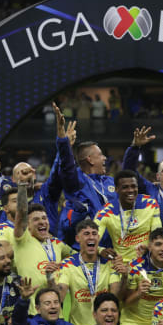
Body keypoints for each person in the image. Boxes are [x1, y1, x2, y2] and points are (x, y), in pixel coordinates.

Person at [55, 103, 117, 245]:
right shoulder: (77, 181)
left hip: (113, 251)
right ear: (90, 159)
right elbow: (66, 167)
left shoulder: (110, 182)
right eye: (101, 155)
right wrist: (64, 143)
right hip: (85, 249)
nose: (105, 158)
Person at [54, 220, 127, 325]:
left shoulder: (109, 263)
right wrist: (50, 277)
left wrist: (125, 277)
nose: (91, 237)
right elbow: (60, 296)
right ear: (77, 238)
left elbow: (115, 297)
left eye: (94, 234)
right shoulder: (68, 265)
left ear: (98, 237)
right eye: (86, 234)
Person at [14, 181, 72, 314]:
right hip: (32, 312)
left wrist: (101, 250)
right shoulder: (23, 240)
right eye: (36, 220)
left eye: (44, 218)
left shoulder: (57, 244)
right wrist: (22, 187)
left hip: (56, 312)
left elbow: (79, 256)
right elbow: (21, 212)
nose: (42, 222)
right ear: (27, 226)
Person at [94, 169, 162, 263]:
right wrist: (100, 250)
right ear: (116, 189)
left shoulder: (150, 204)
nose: (130, 190)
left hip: (147, 263)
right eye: (125, 187)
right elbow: (90, 239)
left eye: (133, 186)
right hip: (120, 265)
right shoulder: (106, 212)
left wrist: (149, 247)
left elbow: (157, 234)